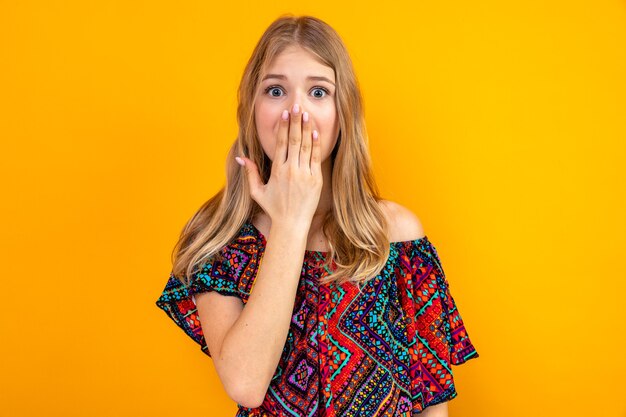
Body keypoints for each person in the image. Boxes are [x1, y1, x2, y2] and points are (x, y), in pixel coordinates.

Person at [155, 14, 479, 417]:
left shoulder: (397, 237)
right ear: (251, 111)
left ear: (343, 113)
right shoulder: (218, 240)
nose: (297, 112)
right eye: (275, 90)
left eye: (319, 92)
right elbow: (245, 383)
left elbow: (431, 399)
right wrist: (292, 220)